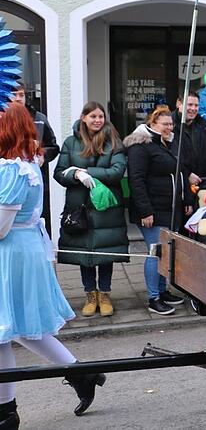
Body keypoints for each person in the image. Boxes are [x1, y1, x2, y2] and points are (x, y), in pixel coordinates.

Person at [0, 104, 107, 424]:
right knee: (17, 329)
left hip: (14, 253)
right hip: (23, 249)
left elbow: (1, 227)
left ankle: (6, 411)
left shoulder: (13, 169)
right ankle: (81, 375)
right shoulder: (25, 164)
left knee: (5, 330)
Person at [53, 102, 129, 318]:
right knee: (84, 253)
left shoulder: (114, 141)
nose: (97, 120)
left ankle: (105, 294)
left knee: (105, 253)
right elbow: (59, 173)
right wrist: (75, 175)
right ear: (84, 118)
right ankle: (90, 294)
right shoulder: (70, 142)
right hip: (79, 208)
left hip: (106, 209)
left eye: (101, 117)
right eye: (93, 116)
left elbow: (117, 171)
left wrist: (86, 171)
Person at [124, 105, 194, 315]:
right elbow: (136, 180)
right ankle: (153, 297)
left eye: (171, 123)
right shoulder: (140, 146)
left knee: (166, 251)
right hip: (152, 209)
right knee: (156, 252)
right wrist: (146, 211)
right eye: (164, 124)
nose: (169, 127)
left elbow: (182, 173)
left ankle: (163, 291)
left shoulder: (169, 143)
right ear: (152, 124)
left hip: (171, 208)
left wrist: (187, 199)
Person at [12, 82, 59, 232]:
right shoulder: (3, 120)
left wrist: (42, 154)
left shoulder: (39, 118)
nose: (19, 99)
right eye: (14, 95)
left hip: (35, 181)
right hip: (9, 181)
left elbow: (54, 147)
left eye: (22, 95)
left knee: (37, 221)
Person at [176, 92, 206, 184]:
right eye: (190, 105)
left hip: (204, 181)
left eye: (196, 105)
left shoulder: (205, 125)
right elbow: (169, 157)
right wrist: (186, 174)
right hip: (179, 183)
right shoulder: (170, 126)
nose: (193, 109)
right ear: (179, 104)